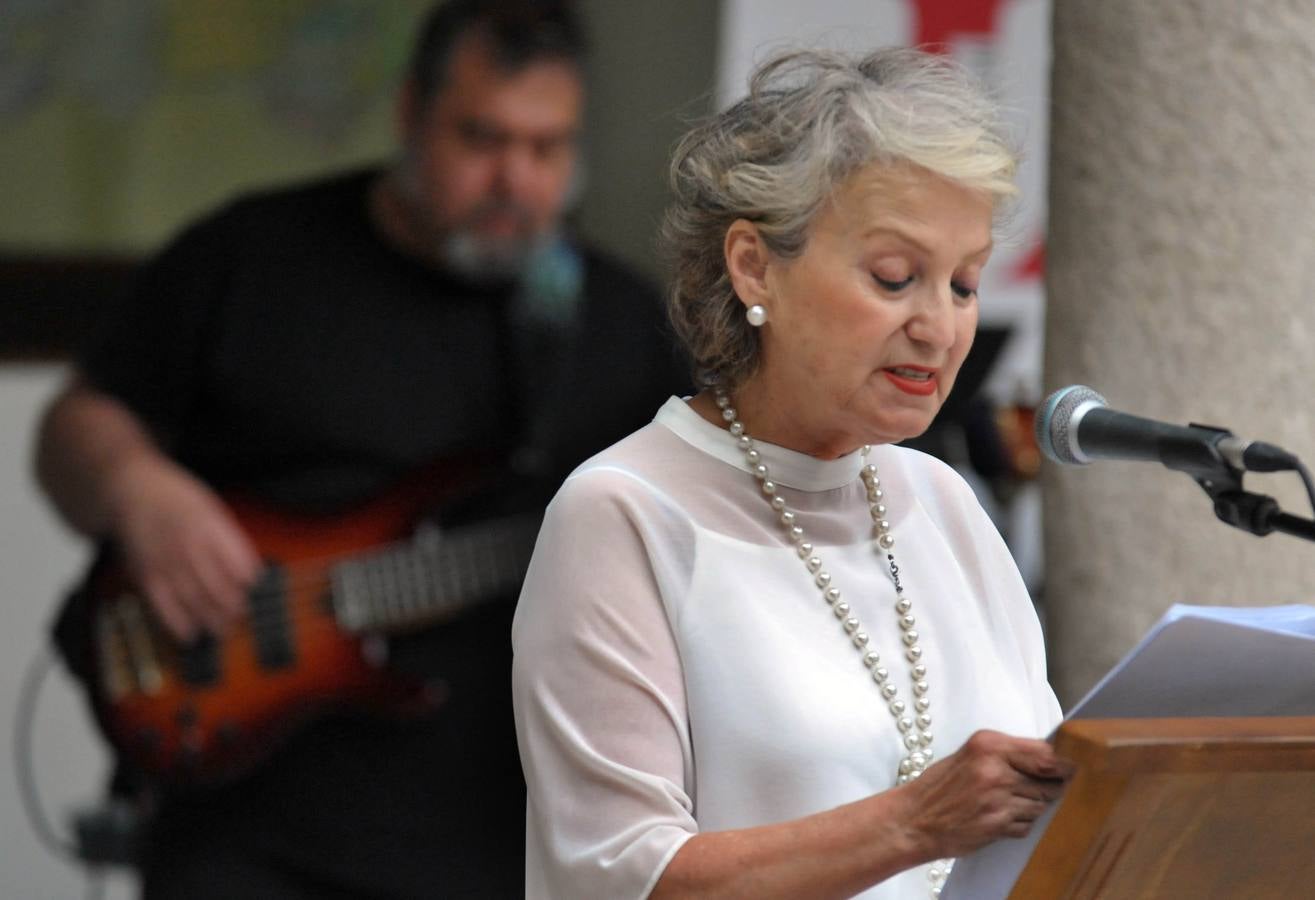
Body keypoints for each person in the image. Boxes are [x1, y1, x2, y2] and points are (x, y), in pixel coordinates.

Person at [35, 1, 684, 896]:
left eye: (547, 149)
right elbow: (77, 425)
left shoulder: (620, 325)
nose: (515, 180)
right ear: (409, 115)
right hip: (244, 830)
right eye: (482, 139)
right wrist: (134, 485)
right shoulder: (251, 257)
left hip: (499, 842)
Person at [511, 47, 1070, 899]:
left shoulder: (943, 504)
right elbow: (619, 877)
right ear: (753, 265)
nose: (938, 326)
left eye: (962, 283)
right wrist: (915, 823)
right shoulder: (622, 512)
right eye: (894, 277)